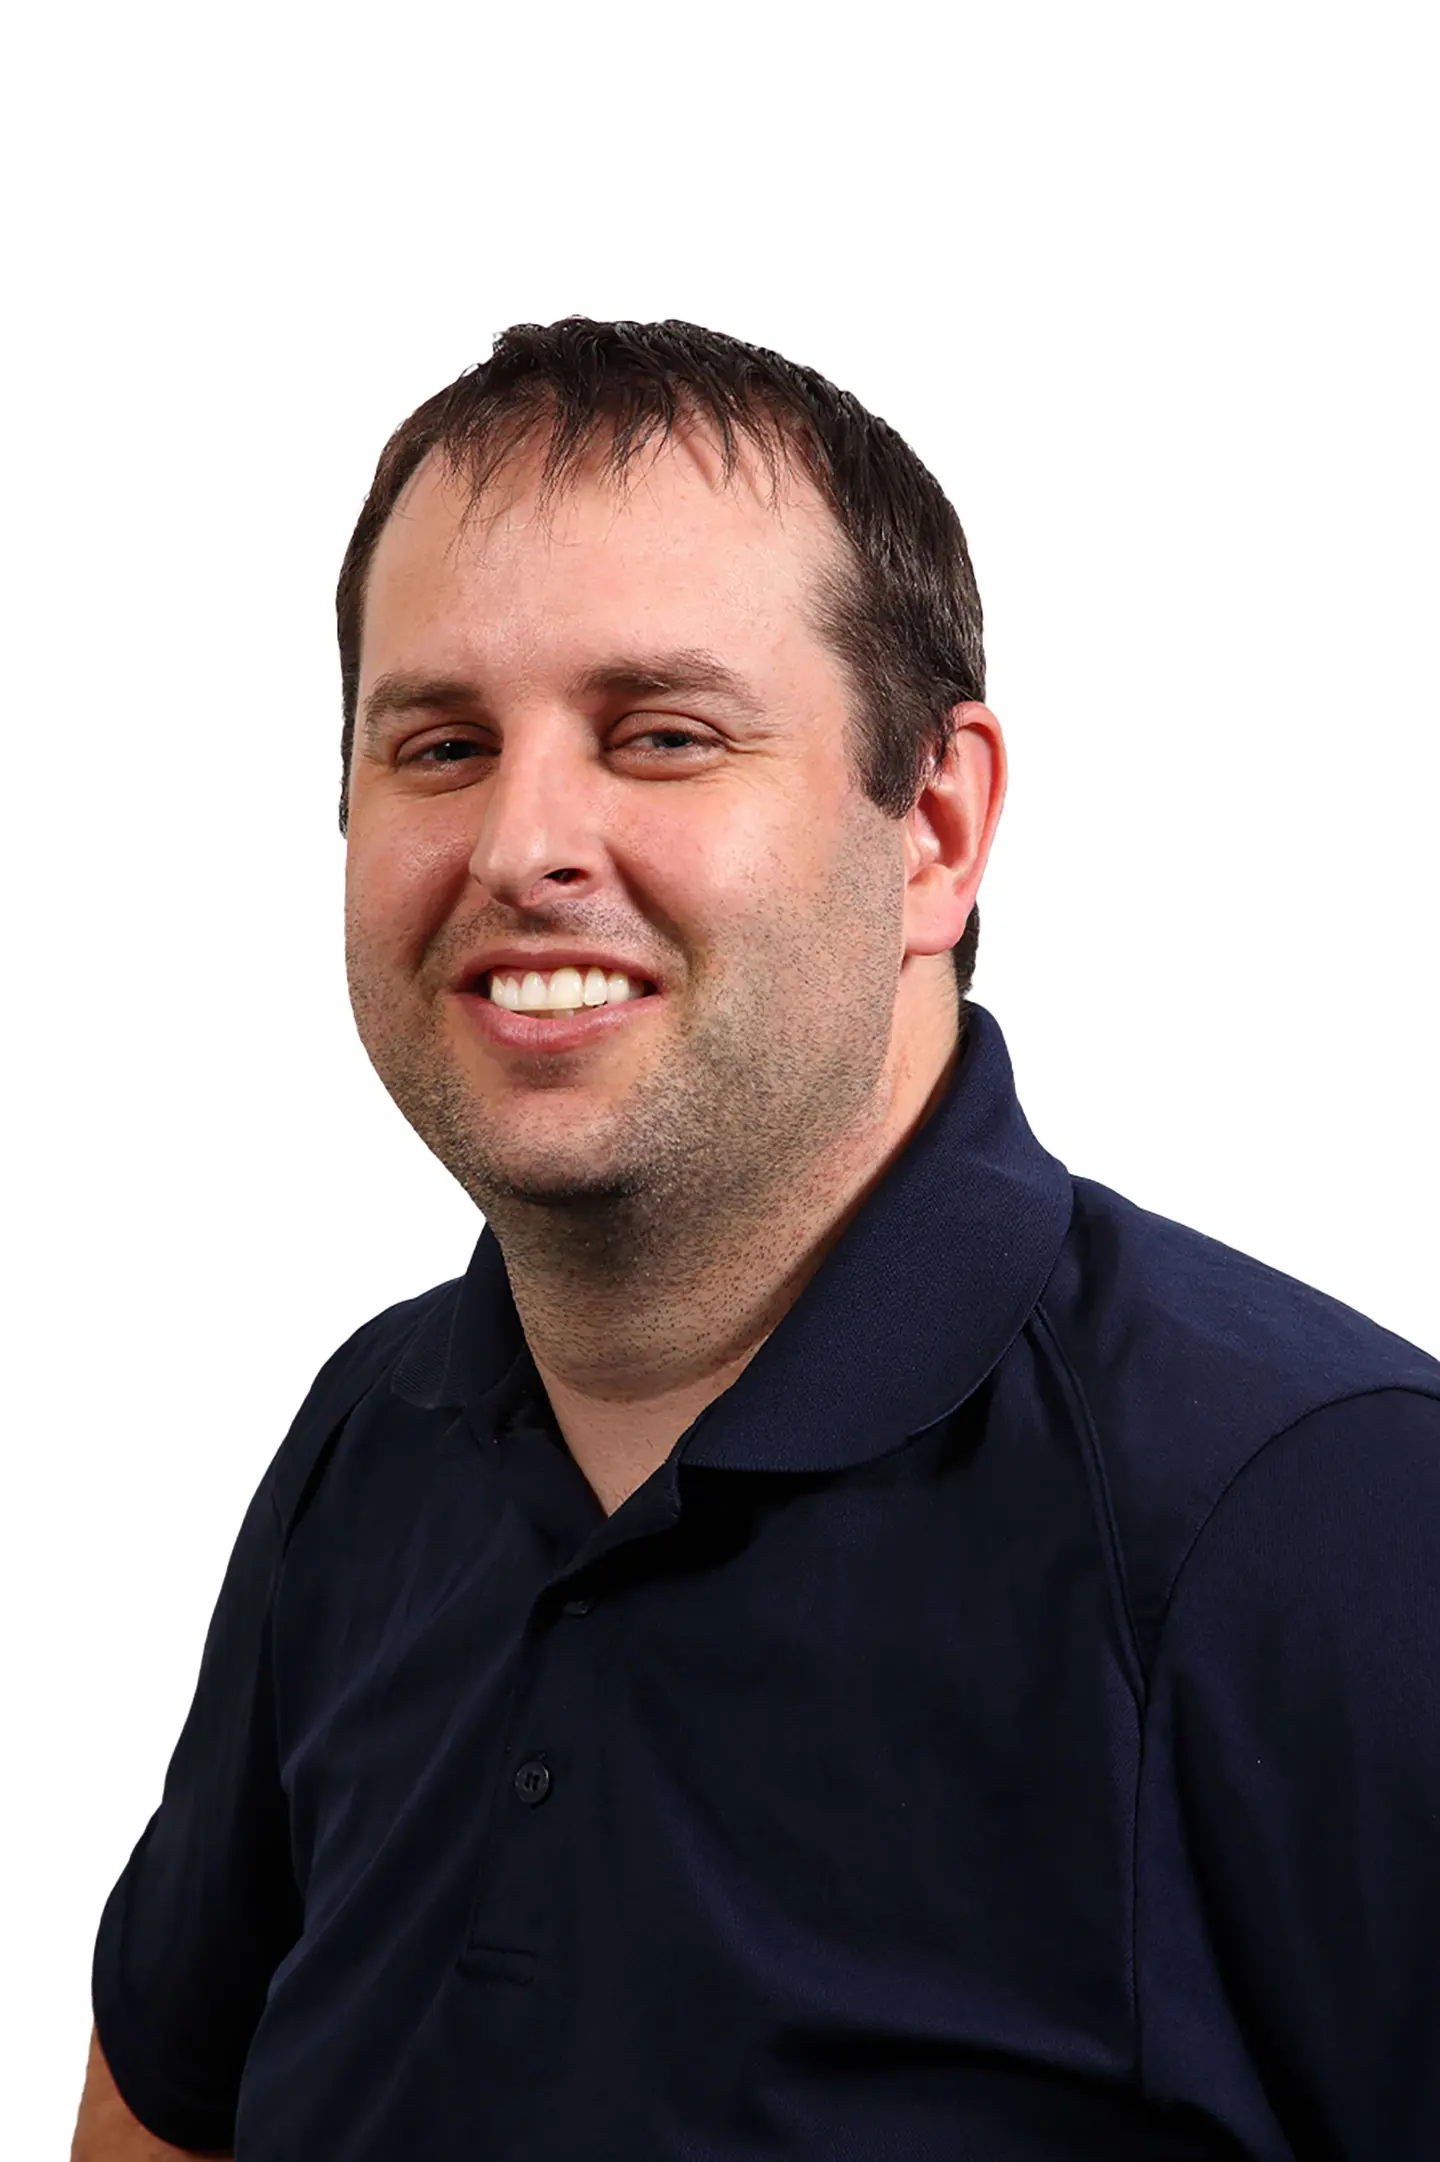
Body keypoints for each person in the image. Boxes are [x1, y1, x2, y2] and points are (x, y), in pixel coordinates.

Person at [73, 317, 1440, 2162]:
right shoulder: (364, 1443)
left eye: (662, 734)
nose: (524, 839)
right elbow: (162, 2120)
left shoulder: (1330, 1519)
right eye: (441, 742)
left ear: (936, 830)